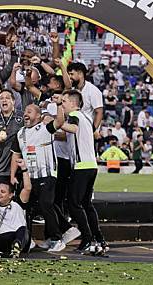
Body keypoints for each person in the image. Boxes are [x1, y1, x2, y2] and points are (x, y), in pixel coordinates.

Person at [52, 90, 107, 255]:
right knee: (86, 204)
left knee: (74, 204)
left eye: (64, 102)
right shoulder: (87, 118)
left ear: (74, 103)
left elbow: (73, 129)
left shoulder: (74, 115)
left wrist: (56, 122)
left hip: (81, 166)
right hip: (91, 166)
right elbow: (69, 135)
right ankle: (98, 237)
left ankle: (87, 238)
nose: (63, 105)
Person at [10, 104, 64, 252]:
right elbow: (16, 154)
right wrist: (12, 174)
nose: (26, 114)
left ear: (39, 115)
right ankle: (28, 239)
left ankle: (57, 239)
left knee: (46, 204)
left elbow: (59, 121)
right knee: (25, 209)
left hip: (46, 174)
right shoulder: (20, 133)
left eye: (30, 111)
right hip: (28, 176)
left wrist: (59, 105)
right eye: (25, 112)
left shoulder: (45, 128)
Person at [0, 88, 24, 187]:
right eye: (1, 98)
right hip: (2, 169)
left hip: (22, 168)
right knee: (2, 199)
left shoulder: (23, 117)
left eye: (7, 98)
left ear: (13, 101)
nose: (4, 100)